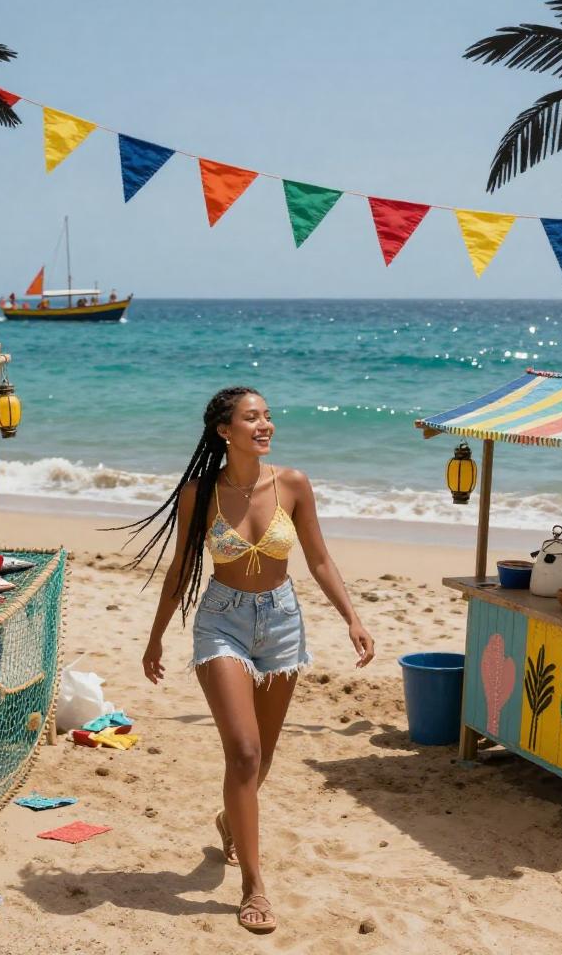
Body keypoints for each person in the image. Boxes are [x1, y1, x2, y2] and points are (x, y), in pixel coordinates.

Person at [121, 386, 374, 935]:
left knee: (261, 760)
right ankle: (254, 886)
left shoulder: (293, 485)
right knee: (243, 752)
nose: (265, 426)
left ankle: (229, 818)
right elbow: (181, 571)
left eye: (267, 417)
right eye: (251, 418)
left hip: (282, 623)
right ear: (224, 430)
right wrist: (156, 637)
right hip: (221, 622)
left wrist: (352, 618)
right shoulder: (200, 493)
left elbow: (321, 559)